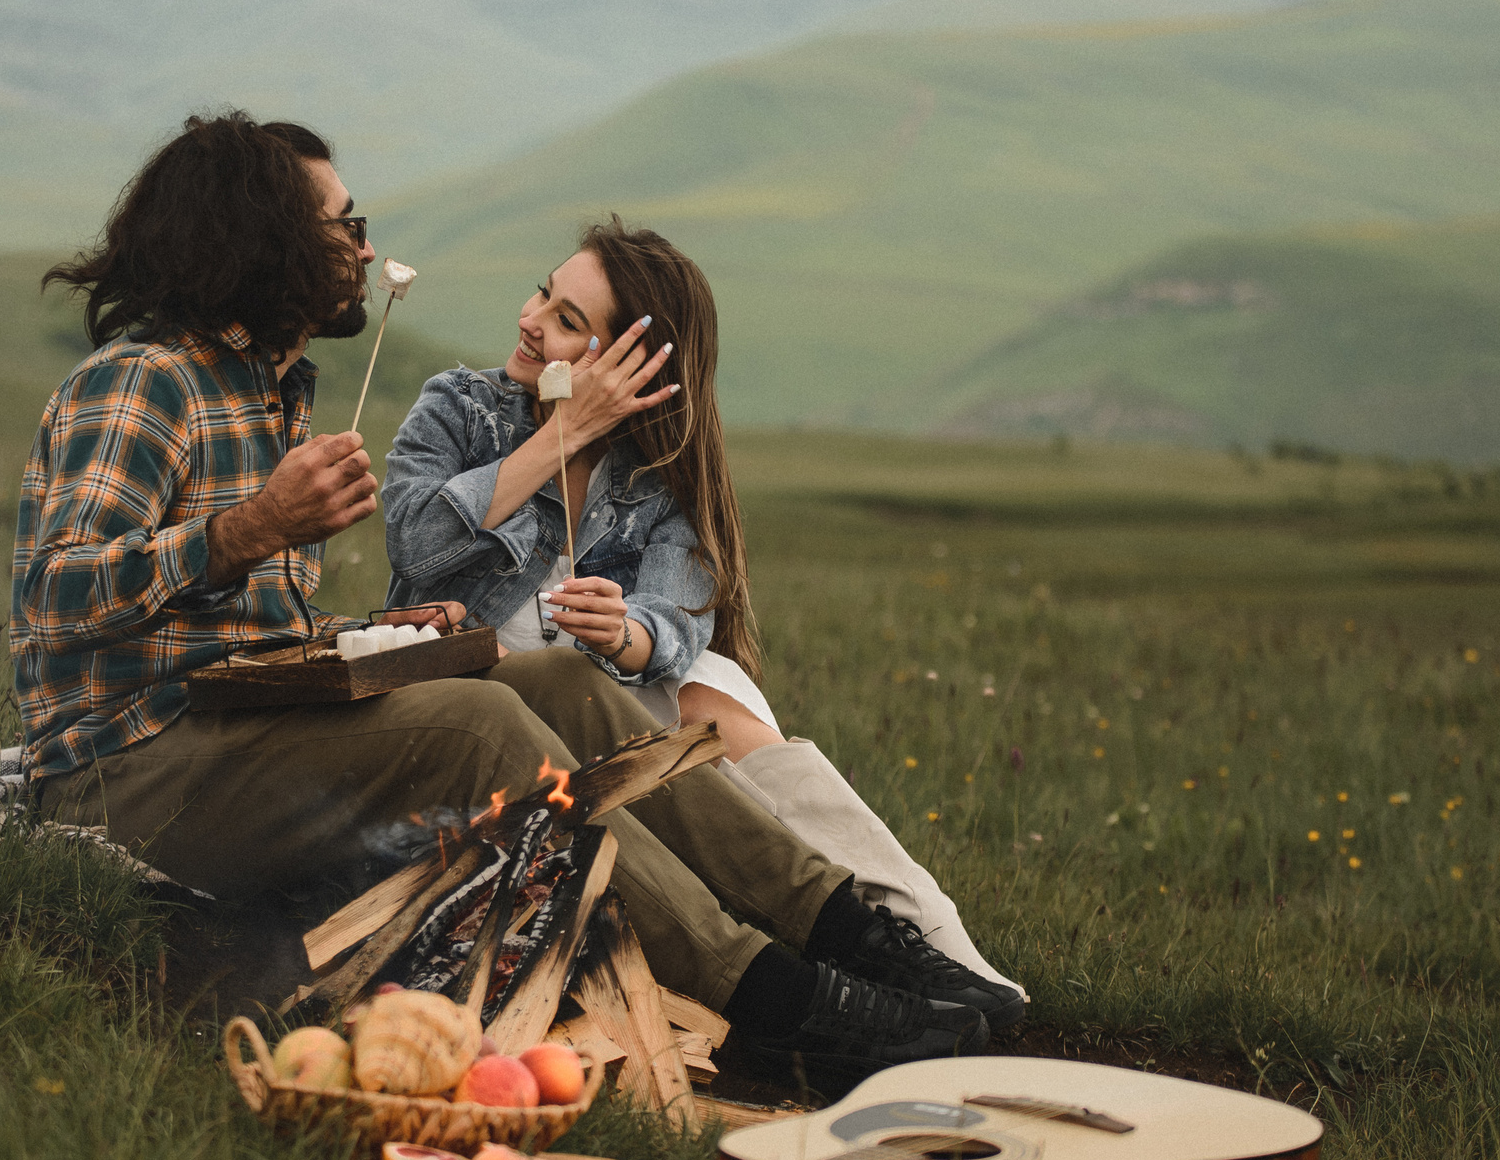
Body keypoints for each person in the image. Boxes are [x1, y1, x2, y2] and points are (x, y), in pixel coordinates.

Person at [11, 111, 1003, 1092]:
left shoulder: (268, 394)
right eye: (342, 227)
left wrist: (368, 636)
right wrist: (251, 525)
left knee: (565, 678)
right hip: (130, 768)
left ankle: (865, 939)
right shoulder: (146, 382)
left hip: (230, 727)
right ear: (261, 238)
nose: (364, 248)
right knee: (476, 720)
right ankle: (777, 1004)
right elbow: (55, 597)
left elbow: (225, 630)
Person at [381, 217, 1025, 1022]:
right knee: (661, 693)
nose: (530, 316)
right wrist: (564, 430)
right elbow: (413, 537)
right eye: (546, 291)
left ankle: (928, 946)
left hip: (608, 692)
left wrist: (625, 632)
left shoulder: (659, 476)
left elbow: (673, 622)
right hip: (486, 705)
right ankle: (861, 958)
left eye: (568, 321)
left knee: (711, 686)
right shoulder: (461, 410)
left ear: (633, 367)